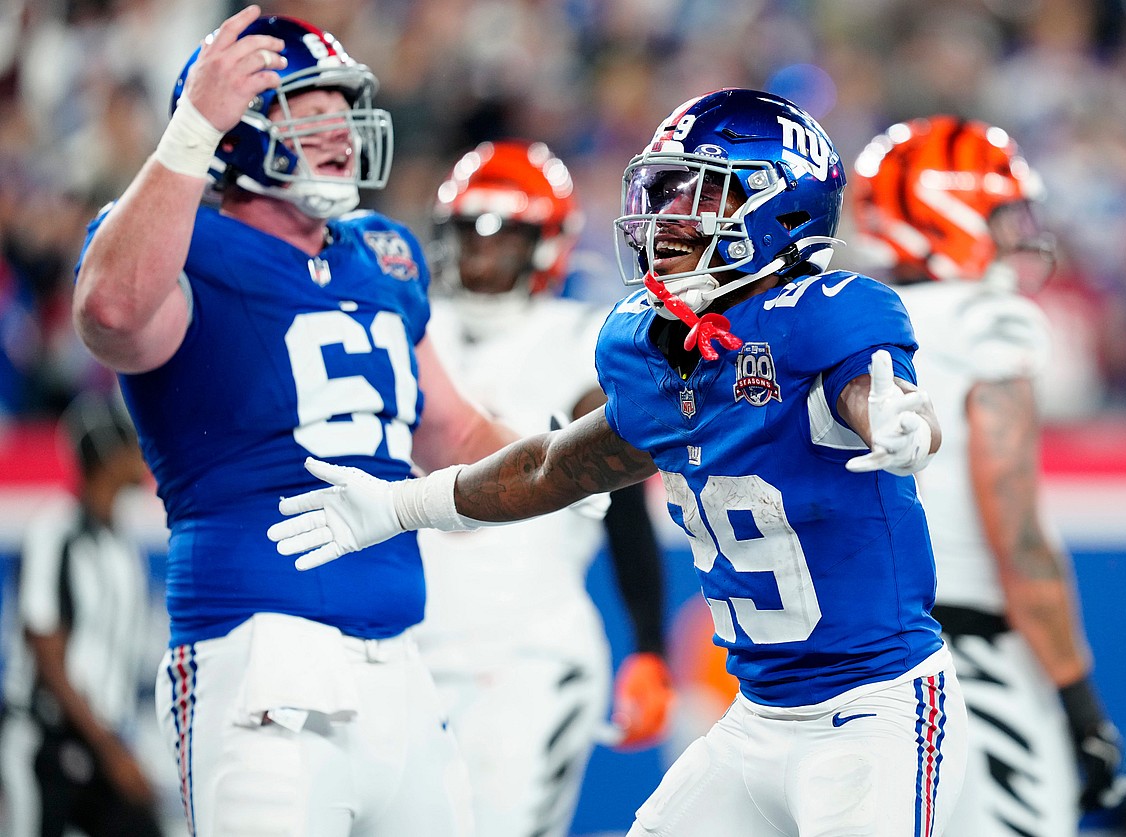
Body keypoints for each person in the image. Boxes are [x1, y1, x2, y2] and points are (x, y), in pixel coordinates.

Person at [270, 87, 970, 836]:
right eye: (662, 193)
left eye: (696, 193)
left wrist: (902, 422)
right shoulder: (657, 348)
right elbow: (549, 470)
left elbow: (877, 390)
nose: (667, 216)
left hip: (879, 710)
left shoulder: (826, 314)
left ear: (779, 208)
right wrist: (399, 508)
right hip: (760, 718)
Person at [71, 6, 521, 835]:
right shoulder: (182, 243)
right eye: (307, 107)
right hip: (259, 655)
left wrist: (569, 459)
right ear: (232, 129)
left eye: (344, 107)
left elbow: (451, 432)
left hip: (401, 664)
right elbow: (110, 310)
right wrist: (188, 133)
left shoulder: (381, 252)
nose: (339, 129)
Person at [850, 115, 1126, 836]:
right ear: (945, 211)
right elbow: (1018, 538)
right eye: (1003, 213)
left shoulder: (842, 321)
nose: (1021, 234)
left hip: (840, 663)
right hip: (961, 655)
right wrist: (1079, 700)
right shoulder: (990, 322)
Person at [417, 138, 673, 836]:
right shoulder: (410, 328)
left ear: (548, 242)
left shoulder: (585, 341)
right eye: (469, 231)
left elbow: (623, 505)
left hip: (526, 656)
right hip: (402, 652)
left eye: (503, 234)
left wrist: (648, 645)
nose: (481, 251)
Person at [0, 391, 161, 837]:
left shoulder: (121, 547)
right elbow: (47, 651)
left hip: (102, 738)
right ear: (108, 453)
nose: (139, 453)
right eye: (129, 443)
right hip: (46, 739)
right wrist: (112, 751)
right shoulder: (57, 530)